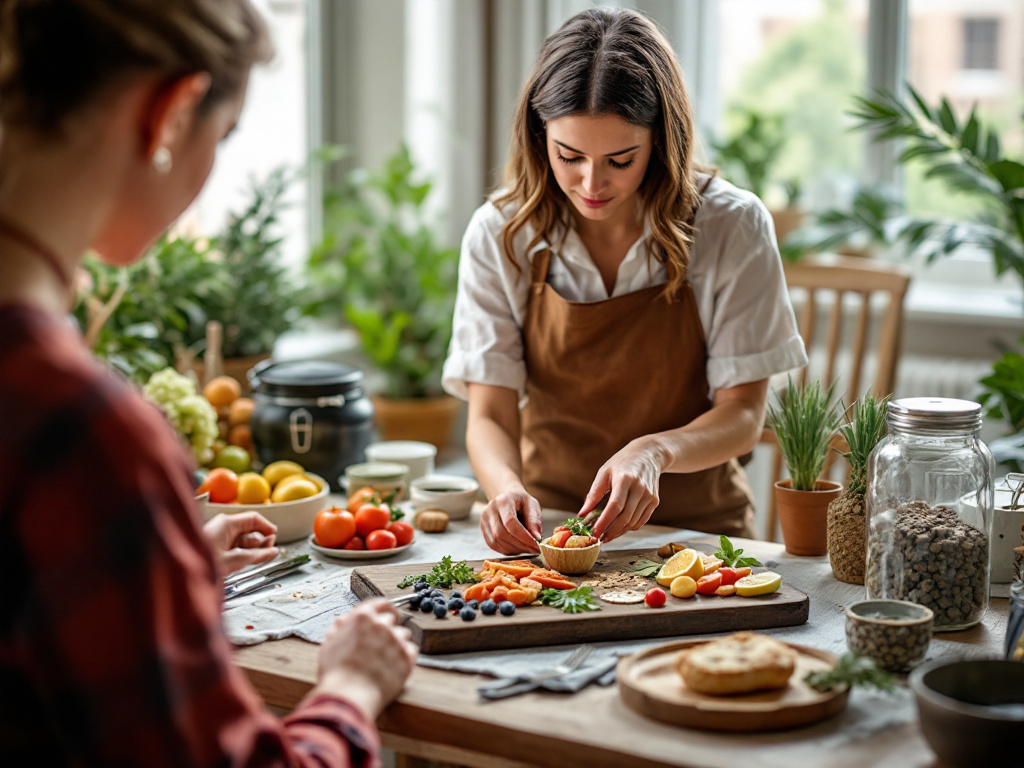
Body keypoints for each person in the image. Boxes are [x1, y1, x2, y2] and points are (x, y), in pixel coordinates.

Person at [0, 1, 417, 765]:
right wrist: (351, 689)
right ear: (172, 110)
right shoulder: (81, 431)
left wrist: (159, 559)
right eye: (221, 137)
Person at [442, 8, 808, 555]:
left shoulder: (731, 224)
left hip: (700, 536)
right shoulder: (501, 232)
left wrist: (655, 452)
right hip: (552, 531)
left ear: (660, 141)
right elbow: (490, 414)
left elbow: (743, 416)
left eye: (619, 159)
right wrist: (505, 491)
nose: (591, 183)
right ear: (539, 134)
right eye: (569, 156)